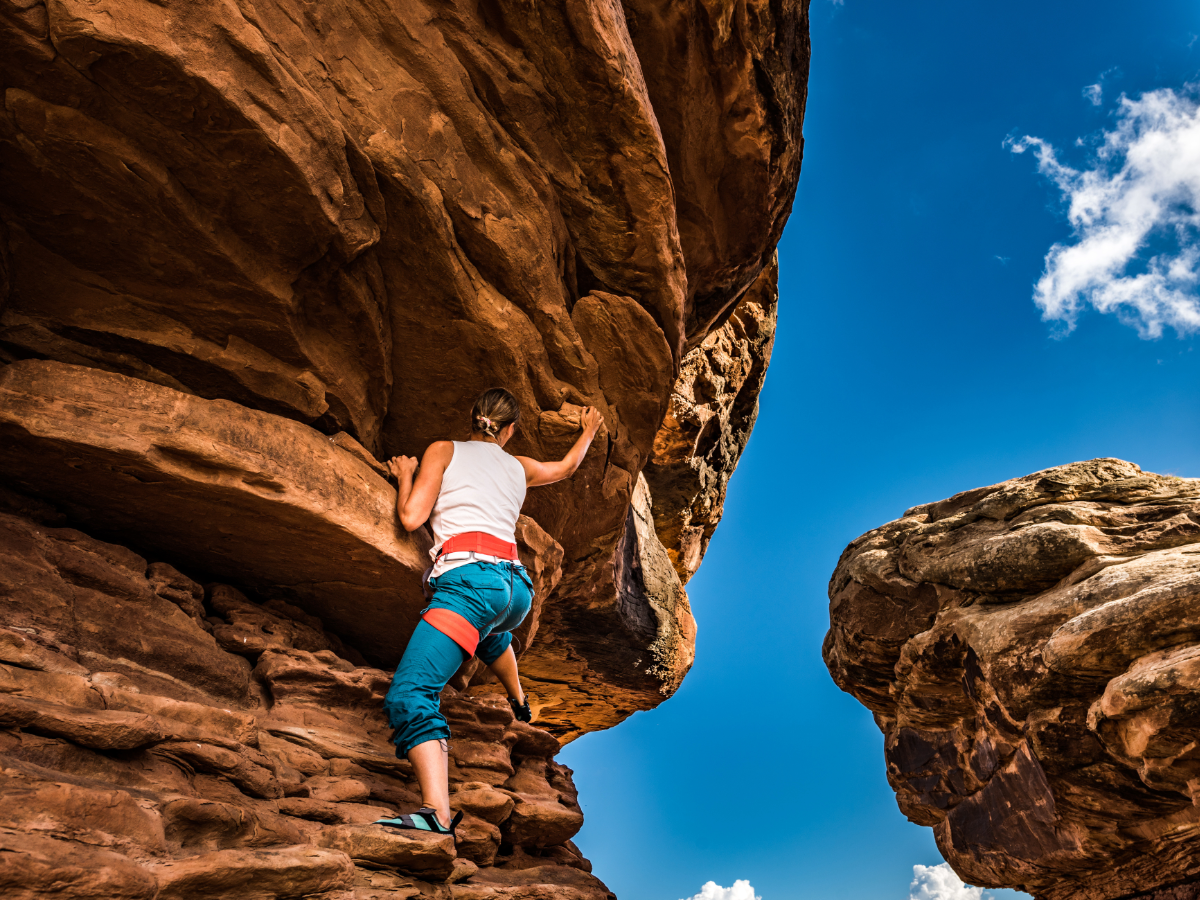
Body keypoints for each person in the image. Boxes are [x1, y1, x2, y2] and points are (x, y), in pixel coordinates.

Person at [374, 388, 602, 836]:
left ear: (473, 419)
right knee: (486, 630)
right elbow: (567, 468)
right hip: (516, 591)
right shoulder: (519, 466)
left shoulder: (443, 450)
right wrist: (590, 430)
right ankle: (518, 698)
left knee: (410, 694)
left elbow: (411, 518)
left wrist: (406, 473)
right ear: (511, 430)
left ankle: (435, 815)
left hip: (470, 580)